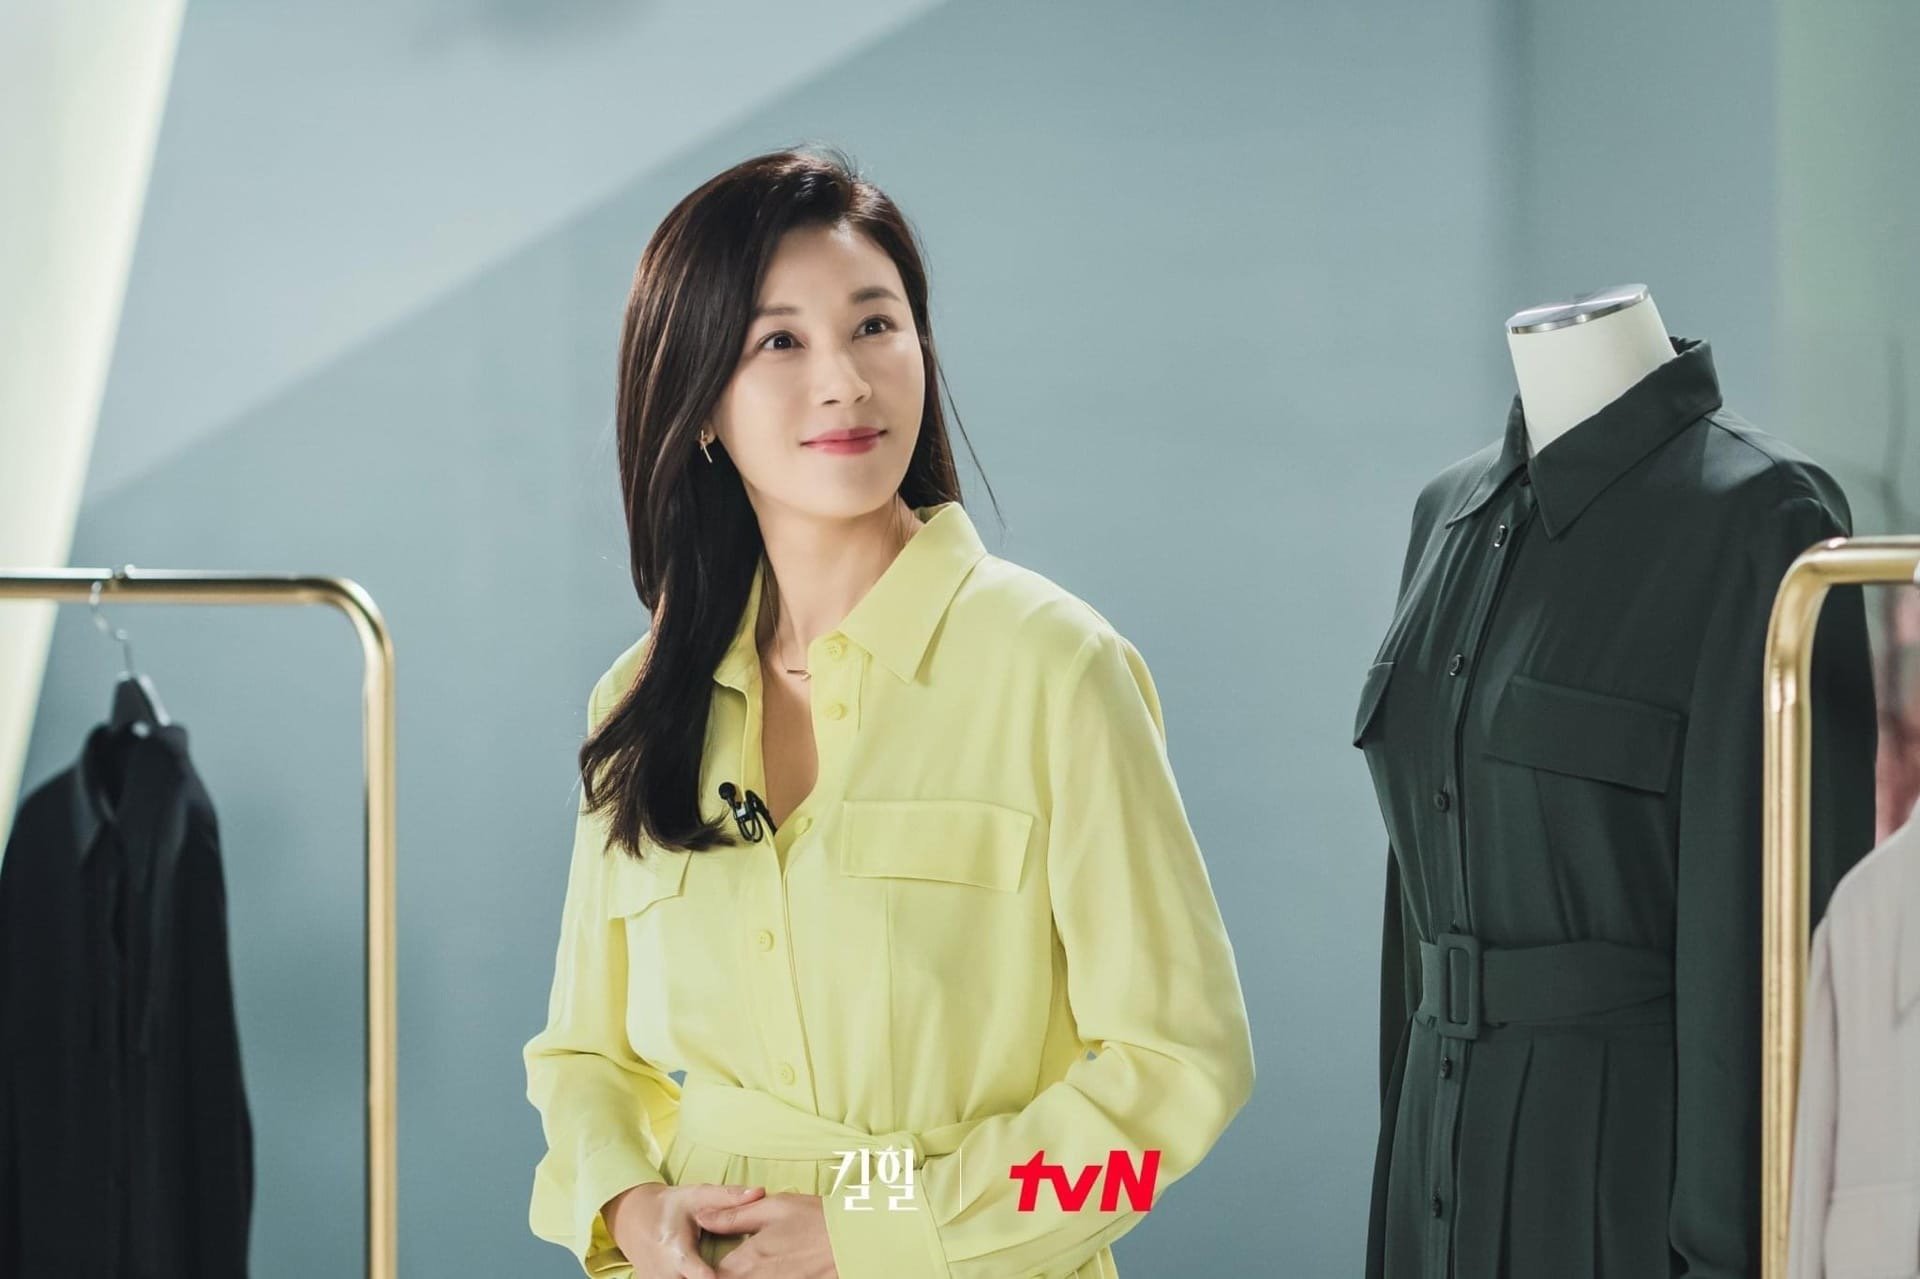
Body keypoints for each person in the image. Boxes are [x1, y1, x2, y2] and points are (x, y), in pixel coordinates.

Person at [523, 144, 1255, 1279]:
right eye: (780, 342)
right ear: (700, 402)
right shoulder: (639, 699)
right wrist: (630, 1205)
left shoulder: (1056, 668)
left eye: (875, 325)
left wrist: (874, 1221)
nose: (846, 382)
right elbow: (582, 1057)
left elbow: (1180, 1076)